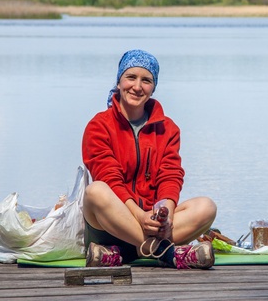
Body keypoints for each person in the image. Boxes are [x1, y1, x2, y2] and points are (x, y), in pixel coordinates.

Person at [82, 49, 217, 269]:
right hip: (110, 227)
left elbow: (171, 175)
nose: (137, 86)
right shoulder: (98, 126)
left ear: (153, 88)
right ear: (119, 82)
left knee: (206, 207)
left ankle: (125, 253)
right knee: (95, 191)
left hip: (153, 225)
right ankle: (167, 253)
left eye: (146, 80)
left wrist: (167, 216)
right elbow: (108, 177)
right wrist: (139, 215)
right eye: (131, 77)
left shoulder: (169, 128)